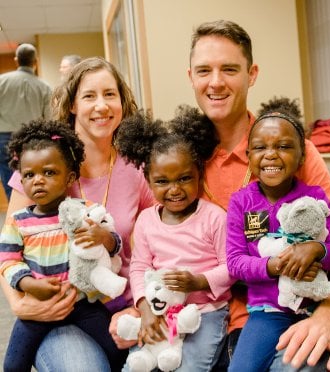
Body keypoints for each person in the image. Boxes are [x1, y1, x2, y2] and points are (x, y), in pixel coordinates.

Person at [187, 20, 330, 370]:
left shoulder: (296, 151)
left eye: (229, 69)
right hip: (209, 322)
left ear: (252, 74)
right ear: (191, 77)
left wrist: (329, 317)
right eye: (204, 70)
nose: (215, 82)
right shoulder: (183, 163)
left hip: (298, 311)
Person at [1, 57, 154, 371]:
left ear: (122, 102)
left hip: (121, 305)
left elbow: (160, 239)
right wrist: (21, 304)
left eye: (110, 94)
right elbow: (7, 245)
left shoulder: (137, 166)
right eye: (89, 96)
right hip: (57, 312)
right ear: (72, 105)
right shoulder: (40, 165)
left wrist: (142, 307)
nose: (101, 106)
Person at [225, 98, 330, 372]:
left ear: (302, 156)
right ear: (249, 157)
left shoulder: (315, 197)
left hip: (316, 304)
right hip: (268, 314)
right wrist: (275, 265)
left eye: (283, 146)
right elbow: (235, 263)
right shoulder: (240, 203)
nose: (271, 154)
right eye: (260, 147)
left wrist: (317, 249)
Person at [0, 119, 127, 372]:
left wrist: (104, 237)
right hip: (38, 309)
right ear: (21, 180)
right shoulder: (18, 222)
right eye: (29, 175)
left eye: (49, 172)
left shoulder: (84, 211)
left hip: (83, 305)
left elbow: (115, 245)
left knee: (120, 353)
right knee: (13, 365)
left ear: (69, 177)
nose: (38, 180)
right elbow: (8, 260)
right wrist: (28, 284)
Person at [116, 105, 234, 371]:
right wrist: (145, 308)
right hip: (160, 312)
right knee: (140, 364)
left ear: (199, 175)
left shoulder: (214, 217)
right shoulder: (147, 220)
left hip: (207, 313)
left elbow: (231, 267)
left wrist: (198, 281)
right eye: (162, 181)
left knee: (189, 367)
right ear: (148, 179)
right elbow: (139, 267)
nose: (174, 189)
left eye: (184, 178)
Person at [0, 43, 51, 201]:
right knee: (33, 177)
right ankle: (33, 214)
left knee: (9, 180)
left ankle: (14, 214)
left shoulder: (1, 81)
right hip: (32, 140)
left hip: (3, 138)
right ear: (35, 61)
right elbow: (49, 118)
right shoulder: (44, 87)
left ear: (17, 60)